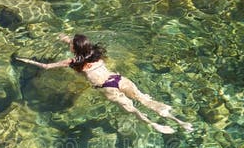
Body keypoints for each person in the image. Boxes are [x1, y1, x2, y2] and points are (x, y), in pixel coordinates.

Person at [17, 33, 194, 135]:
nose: (69, 44)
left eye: (71, 44)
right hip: (119, 79)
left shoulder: (73, 62)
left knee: (133, 110)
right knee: (144, 100)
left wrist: (24, 59)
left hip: (106, 88)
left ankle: (155, 125)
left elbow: (46, 66)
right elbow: (78, 44)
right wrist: (64, 38)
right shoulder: (95, 52)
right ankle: (181, 122)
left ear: (75, 49)